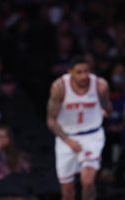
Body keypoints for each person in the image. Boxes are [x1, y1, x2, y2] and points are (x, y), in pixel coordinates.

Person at [47, 56, 111, 200]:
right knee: (67, 191)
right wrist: (68, 141)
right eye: (79, 72)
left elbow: (107, 108)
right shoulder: (59, 87)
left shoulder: (100, 85)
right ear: (70, 72)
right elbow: (51, 121)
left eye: (86, 71)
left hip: (92, 136)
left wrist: (104, 111)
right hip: (66, 137)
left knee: (87, 181)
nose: (84, 76)